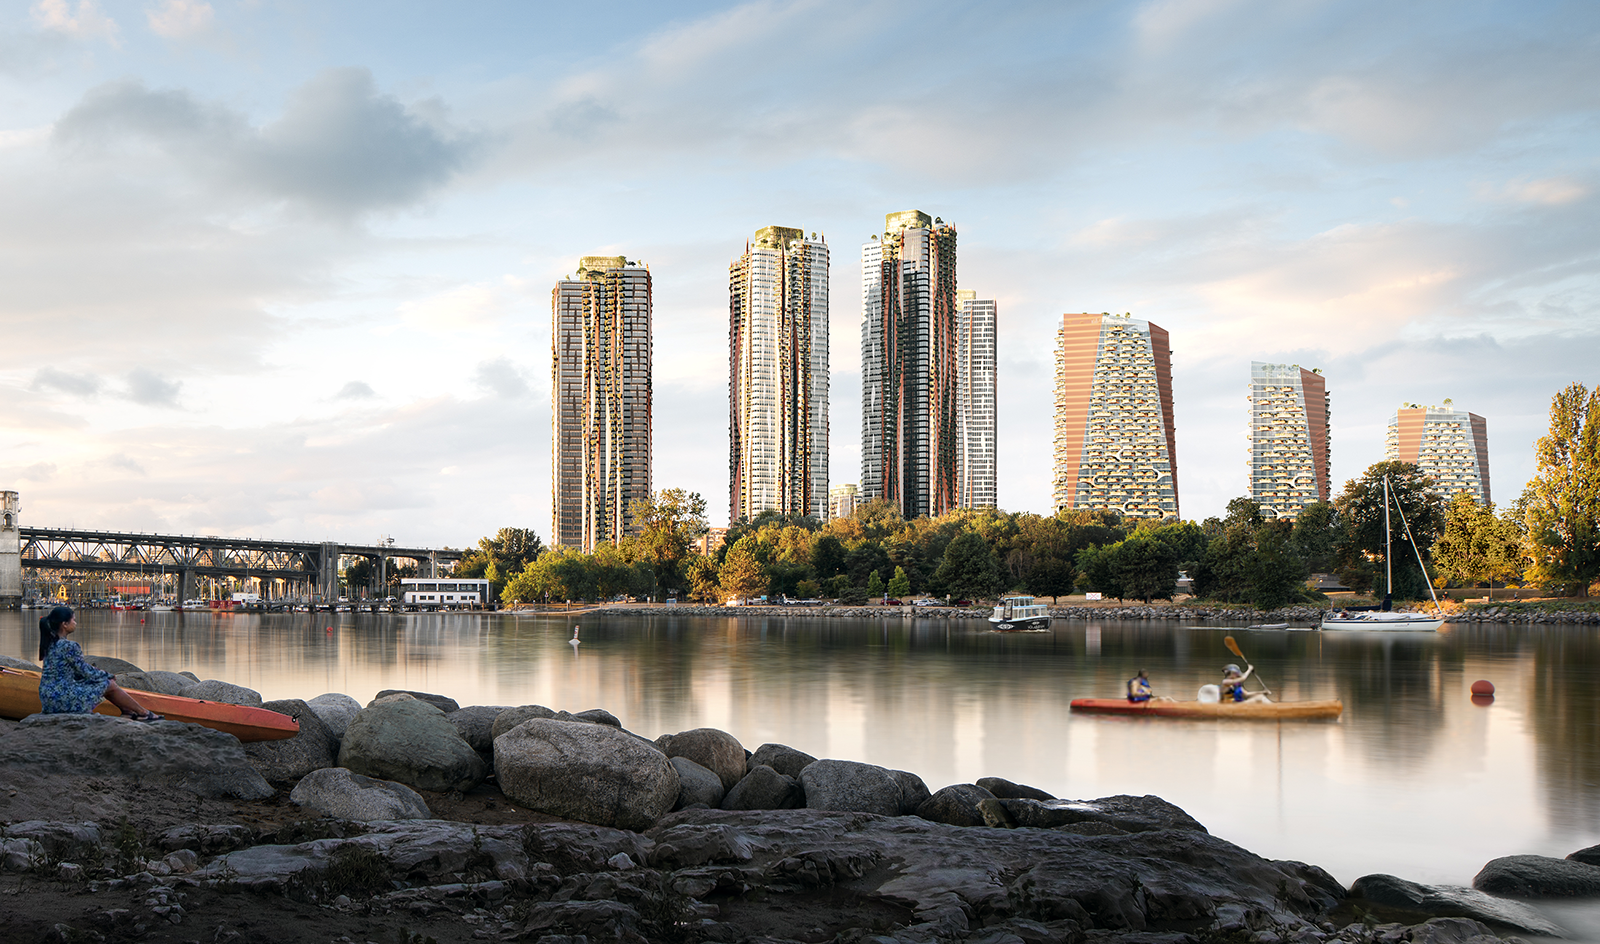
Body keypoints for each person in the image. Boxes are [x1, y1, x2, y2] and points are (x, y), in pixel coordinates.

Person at [37, 606, 161, 720]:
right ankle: (143, 712)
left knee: (103, 682)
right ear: (64, 624)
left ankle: (128, 711)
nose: (75, 623)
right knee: (109, 684)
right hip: (61, 699)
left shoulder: (49, 644)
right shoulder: (69, 646)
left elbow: (74, 673)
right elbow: (83, 670)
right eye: (73, 620)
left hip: (47, 699)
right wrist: (107, 675)